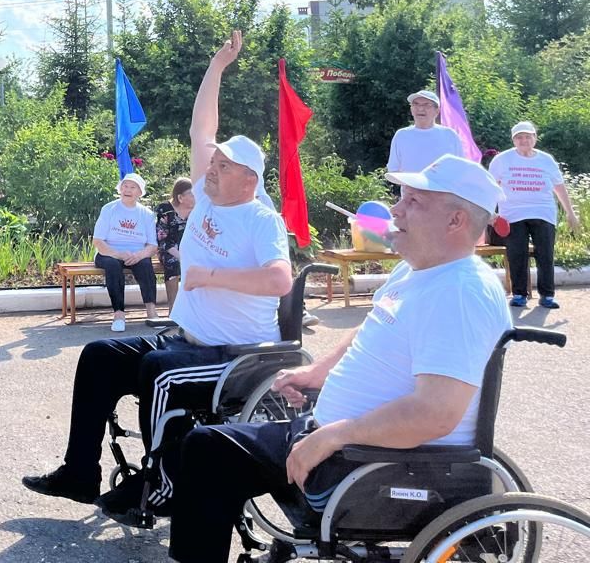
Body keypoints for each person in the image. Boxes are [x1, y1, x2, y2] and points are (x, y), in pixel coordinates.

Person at [163, 154, 510, 563]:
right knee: (206, 446)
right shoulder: (417, 271)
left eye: (414, 202)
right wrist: (316, 372)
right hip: (345, 441)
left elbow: (434, 413)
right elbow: (368, 331)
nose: (395, 209)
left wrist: (333, 436)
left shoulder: (461, 293)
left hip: (380, 464)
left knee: (210, 455)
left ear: (457, 221)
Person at [22, 31, 292, 520]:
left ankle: (163, 485)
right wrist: (216, 66)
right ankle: (79, 472)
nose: (212, 165)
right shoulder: (209, 196)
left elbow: (279, 281)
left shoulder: (261, 219)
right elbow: (201, 130)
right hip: (185, 336)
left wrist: (210, 276)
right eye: (215, 160)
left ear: (248, 179)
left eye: (224, 163)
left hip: (232, 354)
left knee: (157, 373)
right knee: (99, 355)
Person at [488, 121, 582, 310]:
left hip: (543, 212)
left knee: (545, 254)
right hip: (512, 215)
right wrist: (491, 212)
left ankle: (547, 295)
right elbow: (491, 187)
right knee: (517, 254)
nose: (524, 140)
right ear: (513, 140)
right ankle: (520, 294)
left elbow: (559, 187)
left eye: (528, 136)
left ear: (535, 138)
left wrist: (571, 213)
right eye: (519, 137)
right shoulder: (502, 160)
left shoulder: (546, 160)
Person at [92, 173, 160, 332]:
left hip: (135, 253)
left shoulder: (147, 214)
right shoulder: (109, 209)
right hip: (108, 253)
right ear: (120, 188)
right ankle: (119, 315)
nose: (127, 190)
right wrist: (118, 254)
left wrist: (139, 255)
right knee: (112, 265)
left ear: (140, 192)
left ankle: (151, 311)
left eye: (132, 187)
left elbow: (152, 245)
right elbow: (98, 241)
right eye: (125, 186)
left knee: (145, 263)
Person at [387, 89, 464, 173]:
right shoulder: (401, 135)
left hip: (441, 186)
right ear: (411, 109)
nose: (420, 109)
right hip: (410, 186)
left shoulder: (450, 135)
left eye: (426, 105)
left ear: (437, 111)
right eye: (415, 104)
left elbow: (460, 169)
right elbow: (393, 170)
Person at [154, 177, 195, 311]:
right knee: (173, 263)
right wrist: (181, 256)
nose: (197, 196)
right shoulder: (165, 210)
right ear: (180, 197)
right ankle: (174, 307)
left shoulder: (197, 210)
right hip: (168, 250)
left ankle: (195, 309)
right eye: (192, 194)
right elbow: (162, 239)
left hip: (190, 248)